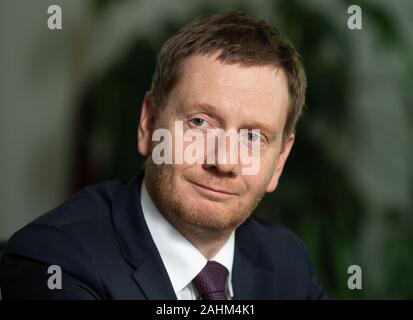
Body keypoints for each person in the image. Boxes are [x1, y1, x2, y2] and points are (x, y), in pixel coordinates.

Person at [0, 11, 327, 300]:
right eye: (200, 122)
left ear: (280, 161)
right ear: (148, 122)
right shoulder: (57, 260)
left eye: (253, 136)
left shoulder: (286, 260)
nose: (224, 162)